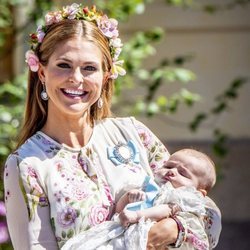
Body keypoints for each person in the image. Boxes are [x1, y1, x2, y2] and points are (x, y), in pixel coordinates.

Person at [3, 3, 221, 250]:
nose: (76, 78)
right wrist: (143, 241)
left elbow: (208, 217)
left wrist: (173, 229)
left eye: (89, 68)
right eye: (63, 65)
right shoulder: (26, 165)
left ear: (106, 76)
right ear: (42, 72)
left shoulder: (134, 134)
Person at [61, 149, 218, 250]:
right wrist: (128, 198)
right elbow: (118, 211)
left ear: (199, 192)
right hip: (121, 230)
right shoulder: (149, 184)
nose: (171, 172)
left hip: (144, 232)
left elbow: (166, 210)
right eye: (169, 166)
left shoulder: (184, 197)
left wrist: (137, 215)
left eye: (183, 173)